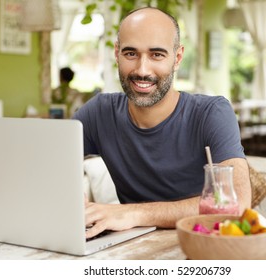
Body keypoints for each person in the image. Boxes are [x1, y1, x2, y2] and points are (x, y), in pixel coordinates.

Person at [73, 7, 251, 239]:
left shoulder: (212, 113)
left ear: (177, 58)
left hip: (200, 246)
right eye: (130, 54)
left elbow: (237, 204)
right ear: (116, 54)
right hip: (130, 248)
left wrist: (133, 214)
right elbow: (48, 165)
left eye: (157, 54)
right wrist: (71, 198)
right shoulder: (98, 113)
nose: (142, 70)